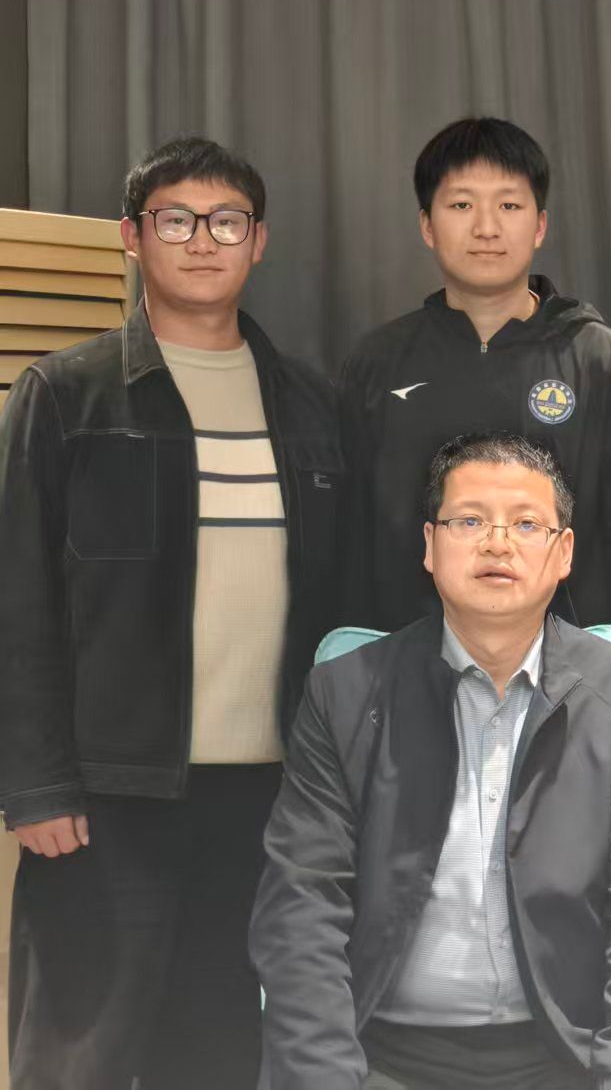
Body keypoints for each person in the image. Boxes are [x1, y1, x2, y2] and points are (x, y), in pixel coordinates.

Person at [0, 137, 342, 1088]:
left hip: (267, 799)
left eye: (226, 221)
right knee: (79, 1058)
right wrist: (36, 786)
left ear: (258, 241)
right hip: (107, 798)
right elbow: (17, 600)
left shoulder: (311, 405)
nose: (201, 240)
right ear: (132, 237)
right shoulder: (64, 394)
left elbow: (341, 600)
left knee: (221, 1050)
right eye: (176, 220)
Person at [250, 431, 611, 1089]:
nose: (497, 543)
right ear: (430, 546)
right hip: (381, 1058)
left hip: (564, 1059)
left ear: (564, 553)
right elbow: (302, 909)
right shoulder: (344, 694)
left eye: (526, 524)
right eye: (469, 521)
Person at [339, 116, 611, 632]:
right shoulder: (378, 363)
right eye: (461, 205)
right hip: (405, 659)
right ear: (427, 225)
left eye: (509, 206)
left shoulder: (602, 362)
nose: (486, 228)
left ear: (540, 226)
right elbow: (350, 535)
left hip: (567, 661)